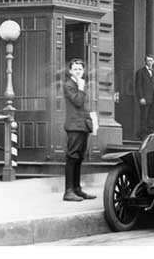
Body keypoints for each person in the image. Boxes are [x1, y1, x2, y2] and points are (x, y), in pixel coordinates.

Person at [63, 59, 96, 202]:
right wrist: (81, 88)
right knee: (72, 157)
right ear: (70, 71)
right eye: (75, 69)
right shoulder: (69, 85)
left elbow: (85, 106)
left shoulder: (80, 85)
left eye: (80, 69)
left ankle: (77, 189)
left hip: (83, 126)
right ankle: (68, 191)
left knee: (79, 158)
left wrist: (92, 121)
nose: (78, 71)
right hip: (74, 126)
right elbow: (77, 102)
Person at [134, 54, 154, 139]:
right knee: (144, 117)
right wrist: (141, 97)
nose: (150, 62)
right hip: (145, 98)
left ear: (153, 62)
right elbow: (138, 86)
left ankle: (150, 135)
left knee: (152, 117)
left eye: (151, 61)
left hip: (153, 98)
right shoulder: (140, 72)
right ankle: (143, 136)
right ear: (145, 61)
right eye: (148, 60)